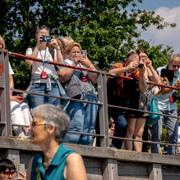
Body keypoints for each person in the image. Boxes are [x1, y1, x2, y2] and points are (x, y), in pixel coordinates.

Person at [30, 104, 87, 180]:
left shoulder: (72, 160)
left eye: (34, 124)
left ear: (50, 128)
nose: (29, 128)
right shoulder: (34, 161)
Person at [59, 42, 98, 145]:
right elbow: (63, 77)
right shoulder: (65, 63)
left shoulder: (85, 65)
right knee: (76, 126)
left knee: (88, 130)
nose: (76, 54)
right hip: (75, 97)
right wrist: (74, 64)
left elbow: (95, 79)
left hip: (90, 97)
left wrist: (89, 64)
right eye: (73, 52)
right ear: (67, 54)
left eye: (78, 52)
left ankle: (84, 155)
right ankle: (67, 153)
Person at [122, 50, 160, 152]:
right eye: (141, 57)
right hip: (134, 100)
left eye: (145, 57)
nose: (143, 59)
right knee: (130, 130)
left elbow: (158, 83)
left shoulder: (146, 69)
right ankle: (129, 153)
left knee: (139, 133)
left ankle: (138, 155)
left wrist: (150, 67)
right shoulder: (134, 67)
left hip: (144, 102)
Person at [0, 35, 32, 137]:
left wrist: (9, 95)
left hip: (5, 95)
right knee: (14, 106)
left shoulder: (4, 60)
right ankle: (21, 136)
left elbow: (10, 79)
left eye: (1, 44)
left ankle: (30, 133)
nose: (0, 46)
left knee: (23, 105)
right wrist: (7, 98)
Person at [25, 25, 64, 109]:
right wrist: (38, 46)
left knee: (54, 113)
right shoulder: (30, 49)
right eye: (41, 33)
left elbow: (61, 65)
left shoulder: (53, 51)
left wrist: (58, 48)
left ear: (49, 37)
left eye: (46, 34)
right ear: (36, 36)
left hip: (53, 85)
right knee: (39, 113)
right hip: (37, 85)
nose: (43, 36)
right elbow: (29, 62)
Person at [151, 54, 180, 155]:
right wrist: (174, 87)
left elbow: (176, 94)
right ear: (169, 63)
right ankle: (155, 158)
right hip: (158, 104)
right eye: (174, 65)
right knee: (157, 134)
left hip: (172, 106)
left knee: (173, 134)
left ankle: (171, 158)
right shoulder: (160, 71)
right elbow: (159, 92)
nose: (176, 68)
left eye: (178, 66)